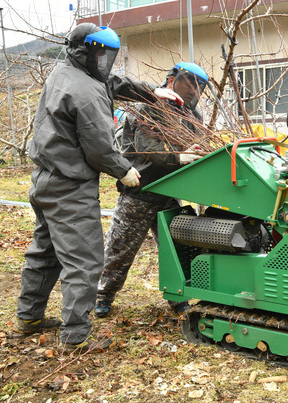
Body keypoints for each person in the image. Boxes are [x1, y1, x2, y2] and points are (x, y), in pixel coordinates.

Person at [14, 23, 180, 352]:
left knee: (44, 253)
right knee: (85, 262)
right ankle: (76, 337)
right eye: (102, 55)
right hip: (69, 187)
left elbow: (112, 82)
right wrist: (125, 171)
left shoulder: (66, 70)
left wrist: (151, 91)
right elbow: (101, 148)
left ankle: (28, 318)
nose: (106, 62)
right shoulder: (85, 92)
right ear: (87, 50)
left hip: (45, 180)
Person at [94, 62, 208, 318]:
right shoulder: (148, 106)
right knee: (121, 248)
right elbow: (146, 148)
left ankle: (177, 294)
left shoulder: (192, 115)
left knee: (176, 248)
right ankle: (103, 294)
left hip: (169, 192)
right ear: (171, 81)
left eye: (199, 87)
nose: (193, 92)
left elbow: (198, 144)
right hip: (140, 190)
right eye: (189, 84)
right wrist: (178, 158)